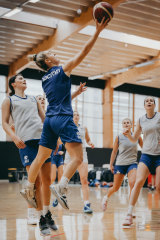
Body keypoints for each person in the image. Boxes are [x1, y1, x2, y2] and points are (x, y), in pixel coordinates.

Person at [20, 18, 108, 210]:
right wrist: (97, 31)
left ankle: (27, 186)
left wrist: (74, 93)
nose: (55, 53)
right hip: (63, 119)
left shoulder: (45, 78)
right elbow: (83, 52)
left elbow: (60, 97)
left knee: (41, 156)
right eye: (51, 53)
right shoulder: (61, 69)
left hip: (50, 120)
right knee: (78, 158)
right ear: (49, 61)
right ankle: (61, 186)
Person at [1, 74, 58, 236]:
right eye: (20, 78)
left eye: (25, 78)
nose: (24, 80)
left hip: (43, 140)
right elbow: (4, 122)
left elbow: (45, 119)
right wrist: (13, 136)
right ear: (13, 84)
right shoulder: (9, 100)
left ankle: (47, 214)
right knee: (36, 183)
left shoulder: (33, 99)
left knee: (47, 180)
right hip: (26, 143)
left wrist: (54, 137)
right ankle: (40, 217)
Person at [122, 96, 160, 226]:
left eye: (151, 101)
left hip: (159, 155)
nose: (149, 102)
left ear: (154, 105)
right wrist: (128, 135)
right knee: (138, 182)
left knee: (159, 186)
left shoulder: (159, 117)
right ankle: (129, 214)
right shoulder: (141, 120)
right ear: (144, 105)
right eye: (146, 101)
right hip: (146, 155)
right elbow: (135, 139)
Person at [102, 118, 143, 212]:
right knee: (116, 187)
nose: (126, 124)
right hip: (120, 164)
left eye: (128, 122)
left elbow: (144, 148)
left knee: (133, 184)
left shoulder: (137, 136)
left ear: (131, 125)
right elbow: (114, 151)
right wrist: (111, 164)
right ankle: (106, 198)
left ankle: (130, 209)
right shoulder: (119, 137)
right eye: (124, 123)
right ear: (122, 125)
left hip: (132, 163)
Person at [64, 111, 94, 213]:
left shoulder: (84, 128)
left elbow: (88, 139)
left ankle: (86, 204)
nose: (76, 116)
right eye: (74, 115)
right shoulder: (67, 126)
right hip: (70, 155)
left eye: (78, 115)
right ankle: (60, 196)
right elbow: (61, 139)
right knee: (65, 179)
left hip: (82, 155)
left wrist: (91, 143)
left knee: (84, 180)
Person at [51, 138, 65, 207]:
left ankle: (58, 196)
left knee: (61, 177)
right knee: (53, 177)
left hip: (60, 158)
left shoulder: (62, 138)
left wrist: (63, 152)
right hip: (53, 158)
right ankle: (46, 192)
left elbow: (65, 150)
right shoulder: (53, 136)